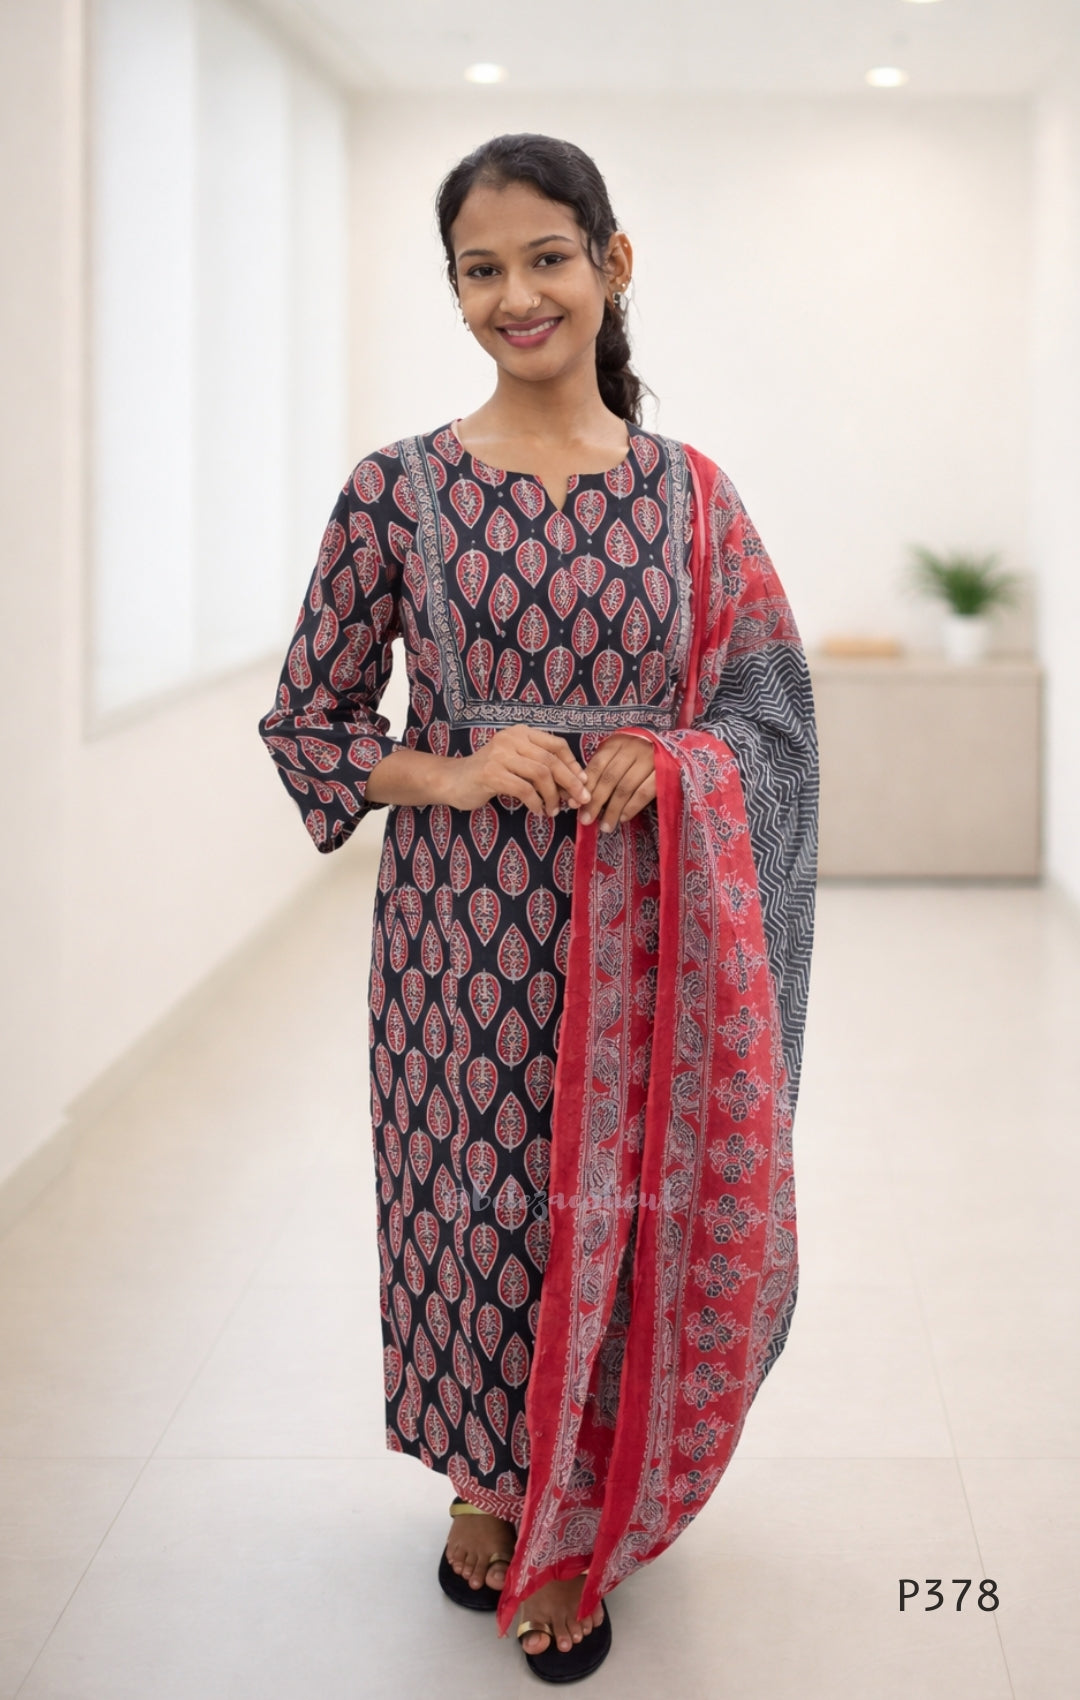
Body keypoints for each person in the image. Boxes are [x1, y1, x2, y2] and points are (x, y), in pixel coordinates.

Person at [258, 132, 817, 1683]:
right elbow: (309, 724)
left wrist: (676, 757)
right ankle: (484, 1485)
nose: (517, 295)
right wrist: (447, 768)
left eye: (546, 259)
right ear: (454, 291)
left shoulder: (696, 499)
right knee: (473, 1206)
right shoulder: (400, 492)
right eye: (480, 270)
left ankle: (587, 1501)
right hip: (461, 939)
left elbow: (773, 717)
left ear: (612, 264)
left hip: (654, 940)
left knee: (616, 1208)